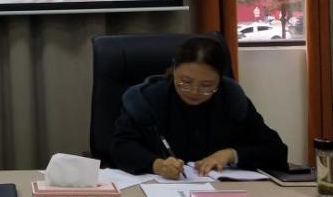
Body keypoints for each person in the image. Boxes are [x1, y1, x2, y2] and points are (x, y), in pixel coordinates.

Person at [111, 36, 288, 178]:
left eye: (206, 85)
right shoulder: (146, 100)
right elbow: (120, 147)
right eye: (185, 82)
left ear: (220, 79)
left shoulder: (232, 99)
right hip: (160, 189)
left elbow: (276, 150)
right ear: (174, 69)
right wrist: (156, 165)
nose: (194, 91)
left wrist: (230, 154)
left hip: (221, 191)